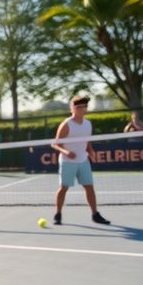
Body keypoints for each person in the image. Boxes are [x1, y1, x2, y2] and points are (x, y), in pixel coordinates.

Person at [51, 95, 111, 226]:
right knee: (64, 188)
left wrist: (91, 152)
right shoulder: (66, 125)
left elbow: (87, 141)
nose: (81, 109)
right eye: (78, 106)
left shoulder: (88, 124)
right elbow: (55, 144)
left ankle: (95, 214)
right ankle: (58, 214)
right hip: (67, 162)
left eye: (84, 106)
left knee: (89, 187)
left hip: (83, 161)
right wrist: (66, 152)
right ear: (72, 108)